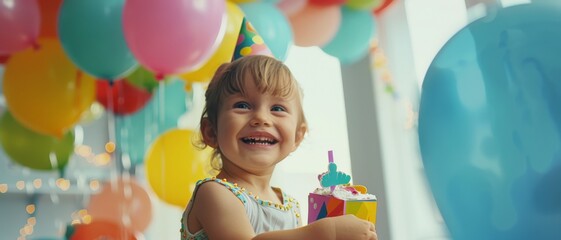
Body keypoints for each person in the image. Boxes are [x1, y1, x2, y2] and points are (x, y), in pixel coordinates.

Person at [180, 55, 377, 240]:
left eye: (277, 109)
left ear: (297, 137)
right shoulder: (214, 193)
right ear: (211, 132)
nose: (261, 118)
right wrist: (327, 232)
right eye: (242, 105)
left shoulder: (290, 205)